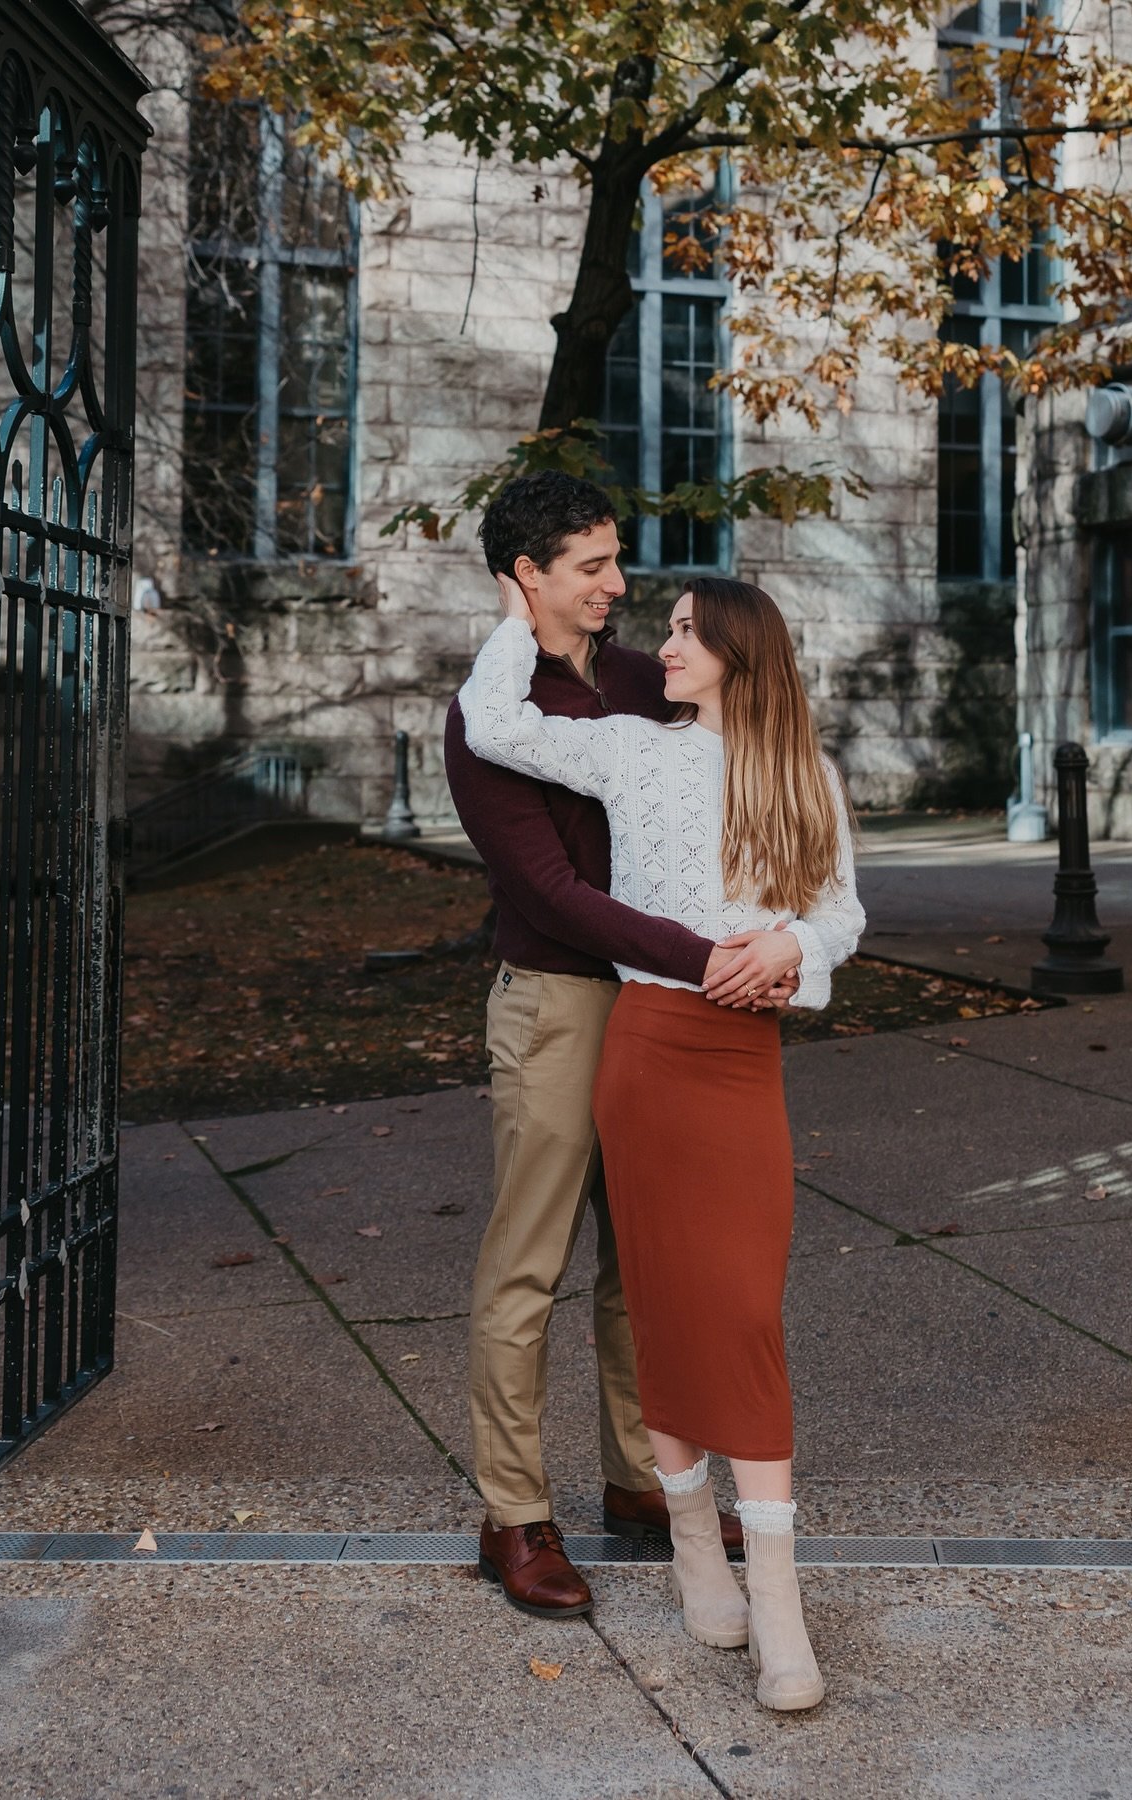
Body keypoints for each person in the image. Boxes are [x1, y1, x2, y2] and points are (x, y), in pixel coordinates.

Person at [459, 570, 867, 1713]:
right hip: (645, 1048)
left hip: (745, 1064)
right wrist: (512, 613)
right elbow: (496, 724)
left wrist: (790, 946)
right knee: (663, 1300)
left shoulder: (806, 775)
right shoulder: (633, 748)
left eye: (689, 632)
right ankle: (698, 1553)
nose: (666, 645)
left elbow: (842, 911)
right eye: (670, 628)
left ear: (741, 654)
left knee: (742, 1310)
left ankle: (777, 1597)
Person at [443, 473, 797, 1626]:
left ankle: (646, 1476)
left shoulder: (652, 681)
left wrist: (781, 929)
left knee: (648, 1260)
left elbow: (752, 782)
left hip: (665, 1013)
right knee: (529, 1264)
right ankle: (514, 1513)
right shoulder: (489, 711)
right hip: (559, 1002)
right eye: (591, 565)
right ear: (528, 575)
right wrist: (708, 954)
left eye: (616, 560)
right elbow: (552, 895)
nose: (618, 584)